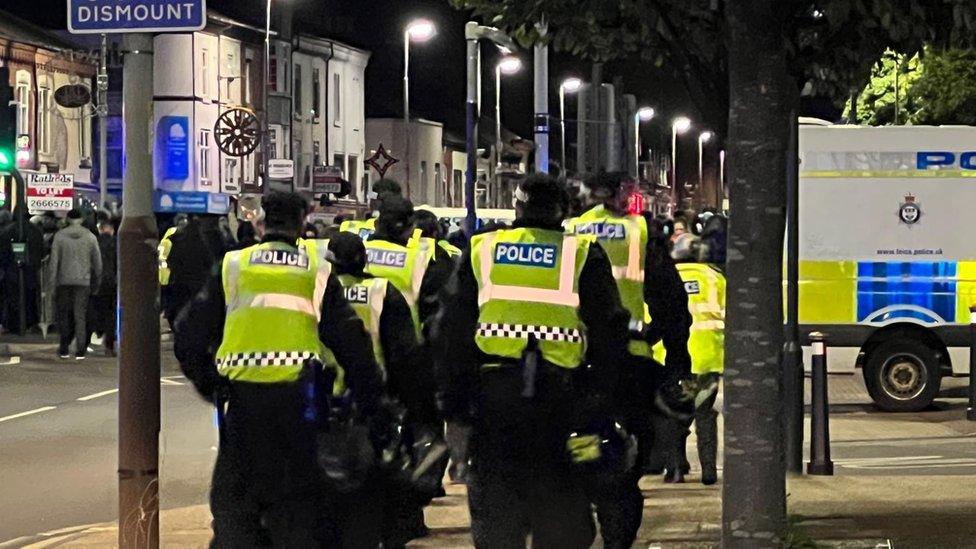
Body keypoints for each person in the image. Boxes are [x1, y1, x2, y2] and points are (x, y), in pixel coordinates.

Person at [174, 191, 384, 547]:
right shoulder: (316, 272)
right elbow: (353, 344)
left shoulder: (233, 267)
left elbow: (188, 335)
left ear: (260, 224)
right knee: (299, 512)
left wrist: (212, 384)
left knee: (236, 509)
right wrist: (369, 400)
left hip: (242, 407)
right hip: (299, 408)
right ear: (301, 226)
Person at [433, 174, 630, 548]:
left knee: (497, 510)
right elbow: (609, 334)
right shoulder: (582, 253)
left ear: (518, 207)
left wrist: (454, 405)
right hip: (562, 402)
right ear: (564, 212)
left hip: (494, 401)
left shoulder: (482, 249)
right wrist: (600, 401)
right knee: (562, 511)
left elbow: (450, 334)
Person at [565, 172, 692, 546]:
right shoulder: (641, 234)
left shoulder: (570, 232)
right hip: (629, 362)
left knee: (574, 450)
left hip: (573, 362)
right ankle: (616, 533)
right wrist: (676, 363)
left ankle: (581, 503)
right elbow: (670, 304)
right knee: (625, 461)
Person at [329, 232, 441, 548]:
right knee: (378, 484)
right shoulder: (382, 292)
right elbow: (405, 357)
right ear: (363, 259)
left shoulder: (318, 291)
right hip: (372, 399)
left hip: (323, 401)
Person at [672, 228, 726, 486]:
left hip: (676, 359)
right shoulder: (716, 278)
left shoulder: (667, 277)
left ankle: (676, 468)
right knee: (705, 415)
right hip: (709, 358)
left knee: (676, 414)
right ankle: (708, 470)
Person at [49, 208, 102, 359]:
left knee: (64, 315)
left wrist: (52, 284)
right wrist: (97, 282)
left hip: (63, 281)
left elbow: (54, 262)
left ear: (68, 219)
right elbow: (98, 263)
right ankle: (80, 350)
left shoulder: (59, 237)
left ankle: (64, 348)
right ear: (81, 219)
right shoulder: (90, 237)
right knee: (80, 316)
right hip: (83, 281)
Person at [162, 216, 216, 328]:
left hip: (180, 285)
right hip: (197, 286)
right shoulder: (203, 242)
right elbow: (210, 262)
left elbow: (170, 260)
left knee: (179, 319)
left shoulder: (176, 240)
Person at [90, 217, 118, 356]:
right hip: (112, 283)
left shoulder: (94, 242)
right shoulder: (117, 243)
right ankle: (109, 346)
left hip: (97, 282)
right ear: (112, 230)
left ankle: (97, 332)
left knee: (97, 310)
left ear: (100, 229)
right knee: (111, 314)